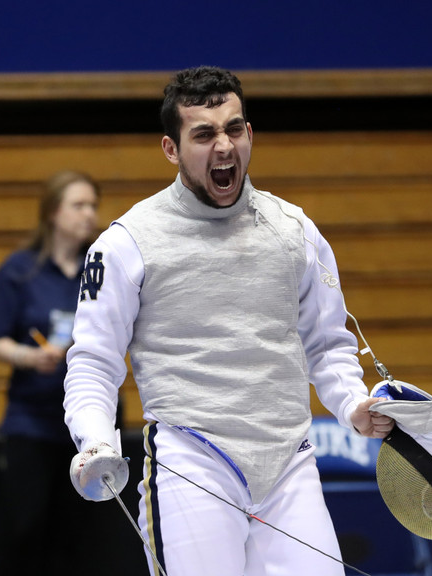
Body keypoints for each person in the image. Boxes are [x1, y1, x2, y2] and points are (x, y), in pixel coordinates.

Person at [62, 66, 395, 576]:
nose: (224, 147)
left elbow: (327, 345)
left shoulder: (294, 231)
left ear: (249, 134)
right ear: (171, 149)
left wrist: (352, 402)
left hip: (289, 461)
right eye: (204, 134)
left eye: (234, 129)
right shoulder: (128, 241)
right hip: (190, 461)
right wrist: (96, 439)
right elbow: (94, 361)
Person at [0, 170, 116, 575]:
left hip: (90, 427)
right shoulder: (19, 271)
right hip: (33, 421)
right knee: (29, 529)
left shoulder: (102, 267)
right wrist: (28, 357)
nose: (89, 214)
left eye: (93, 206)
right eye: (79, 205)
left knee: (83, 536)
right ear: (53, 212)